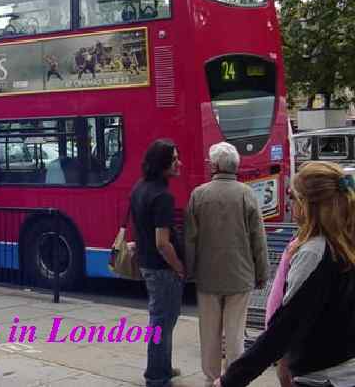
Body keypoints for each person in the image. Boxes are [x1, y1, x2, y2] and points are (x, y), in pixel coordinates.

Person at [216, 161, 355, 387]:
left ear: (307, 204)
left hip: (322, 376)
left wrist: (232, 378)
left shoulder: (313, 251)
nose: (290, 204)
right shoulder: (344, 242)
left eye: (292, 196)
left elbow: (286, 325)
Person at [185, 142, 268, 386]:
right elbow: (258, 239)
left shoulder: (198, 195)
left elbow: (191, 239)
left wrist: (190, 271)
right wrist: (262, 272)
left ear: (215, 165)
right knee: (235, 333)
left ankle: (211, 377)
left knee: (209, 332)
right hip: (240, 275)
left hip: (208, 276)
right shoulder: (247, 194)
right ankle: (232, 378)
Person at [131, 139, 185, 387]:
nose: (179, 163)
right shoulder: (162, 196)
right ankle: (157, 377)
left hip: (147, 264)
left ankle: (162, 367)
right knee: (163, 323)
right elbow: (163, 242)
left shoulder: (140, 187)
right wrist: (179, 267)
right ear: (162, 164)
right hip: (162, 269)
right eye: (174, 159)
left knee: (160, 321)